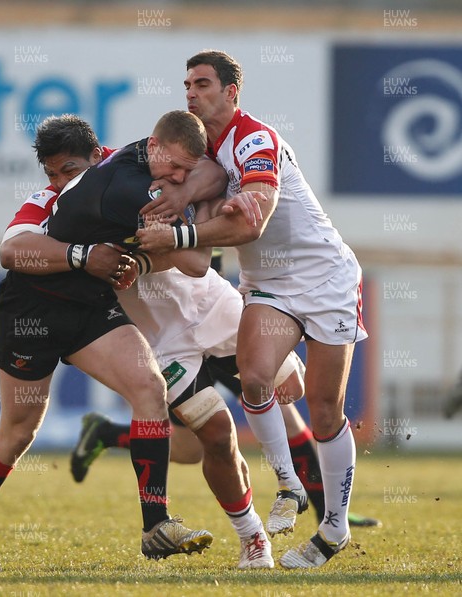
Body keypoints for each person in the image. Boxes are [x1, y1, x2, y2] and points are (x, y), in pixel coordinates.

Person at [0, 111, 215, 566]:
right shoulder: (53, 198)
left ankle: (156, 525)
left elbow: (208, 168)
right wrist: (82, 254)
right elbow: (11, 252)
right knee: (18, 432)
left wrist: (147, 255)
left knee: (149, 388)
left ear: (97, 155)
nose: (57, 182)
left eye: (67, 171)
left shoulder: (139, 167)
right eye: (51, 173)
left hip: (89, 307)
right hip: (32, 309)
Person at [138, 50, 369, 569]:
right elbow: (201, 185)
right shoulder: (200, 152)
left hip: (326, 276)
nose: (191, 93)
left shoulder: (255, 139)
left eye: (202, 84)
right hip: (269, 284)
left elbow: (252, 225)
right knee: (255, 377)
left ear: (231, 92)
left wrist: (179, 231)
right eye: (187, 84)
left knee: (325, 410)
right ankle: (289, 486)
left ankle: (335, 528)